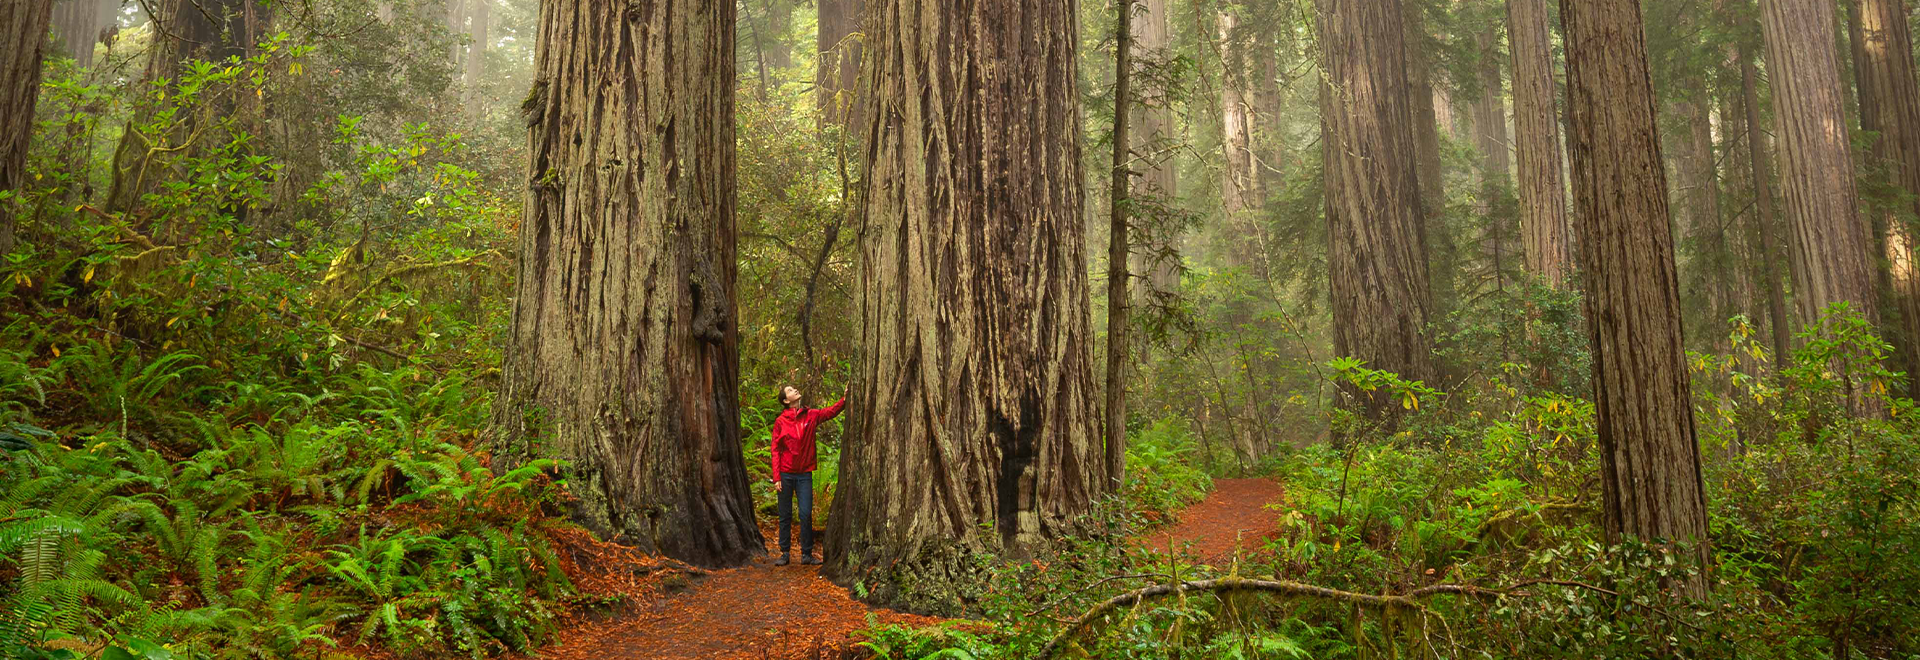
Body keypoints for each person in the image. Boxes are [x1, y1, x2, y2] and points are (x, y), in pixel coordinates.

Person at [769, 384, 844, 566]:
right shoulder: (781, 422)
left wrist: (845, 400)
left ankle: (806, 554)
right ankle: (785, 553)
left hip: (804, 475)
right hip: (786, 475)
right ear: (786, 401)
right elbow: (775, 450)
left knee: (805, 513)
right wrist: (777, 477)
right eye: (790, 390)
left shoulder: (810, 415)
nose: (795, 390)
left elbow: (829, 412)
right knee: (785, 514)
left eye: (794, 389)